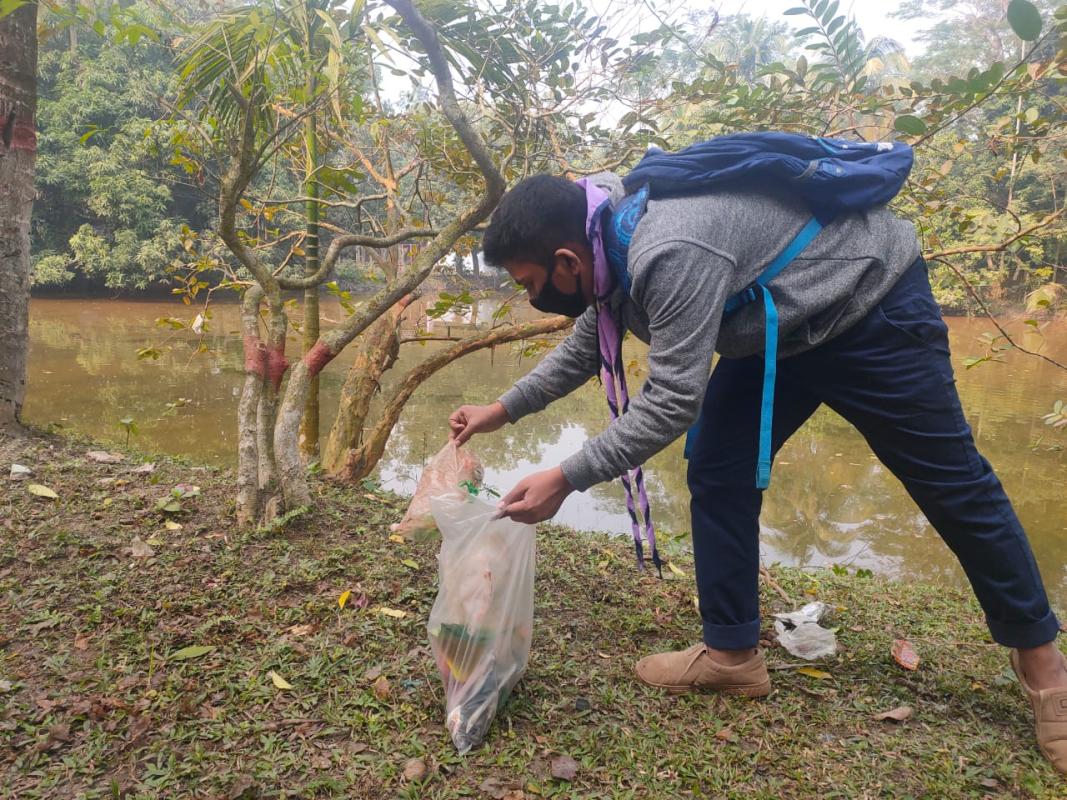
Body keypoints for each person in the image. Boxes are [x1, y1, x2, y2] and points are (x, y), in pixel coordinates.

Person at [446, 171, 1067, 773]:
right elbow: (591, 340)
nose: (533, 298)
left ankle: (1045, 672)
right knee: (718, 465)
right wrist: (501, 409)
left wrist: (566, 477)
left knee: (952, 482)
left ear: (566, 259)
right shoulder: (607, 241)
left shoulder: (669, 247)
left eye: (530, 283)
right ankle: (731, 654)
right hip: (777, 324)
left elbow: (670, 402)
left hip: (871, 305)